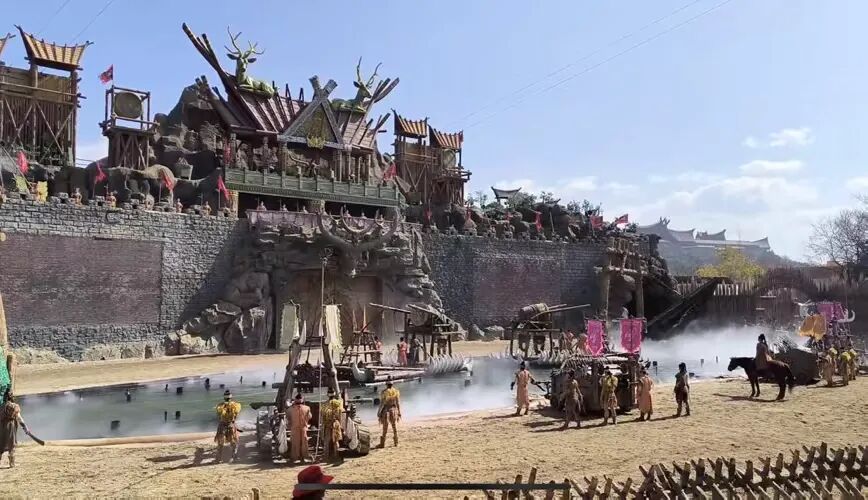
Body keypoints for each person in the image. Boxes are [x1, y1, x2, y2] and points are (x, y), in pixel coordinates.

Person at [0, 392, 29, 468]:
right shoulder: (14, 406)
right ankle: (12, 464)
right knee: (11, 445)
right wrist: (25, 427)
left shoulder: (1, 406)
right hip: (10, 427)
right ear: (11, 397)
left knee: (0, 445)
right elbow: (19, 418)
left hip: (1, 427)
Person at [214, 389, 241, 462]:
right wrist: (233, 420)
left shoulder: (220, 406)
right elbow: (236, 415)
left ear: (224, 398)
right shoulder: (236, 405)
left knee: (221, 443)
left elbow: (219, 415)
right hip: (230, 424)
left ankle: (219, 458)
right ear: (231, 397)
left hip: (224, 425)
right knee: (233, 442)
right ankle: (233, 457)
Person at [288, 393, 312, 463]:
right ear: (302, 400)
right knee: (304, 442)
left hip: (294, 428)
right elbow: (309, 417)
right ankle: (304, 457)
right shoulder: (307, 408)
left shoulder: (290, 409)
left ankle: (295, 457)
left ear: (295, 400)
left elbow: (288, 418)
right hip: (303, 428)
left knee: (295, 442)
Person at [321, 389, 343, 462]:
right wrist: (340, 423)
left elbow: (323, 416)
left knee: (327, 441)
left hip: (327, 424)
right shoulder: (338, 403)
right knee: (335, 440)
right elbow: (340, 414)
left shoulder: (324, 404)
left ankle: (326, 457)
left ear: (328, 395)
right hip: (336, 423)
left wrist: (323, 424)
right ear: (334, 394)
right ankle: (336, 455)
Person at [378, 378, 401, 448]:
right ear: (392, 384)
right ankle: (396, 442)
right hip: (393, 409)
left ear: (386, 384)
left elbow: (382, 403)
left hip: (386, 410)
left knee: (385, 426)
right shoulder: (396, 391)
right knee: (394, 426)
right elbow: (398, 403)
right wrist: (399, 412)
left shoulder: (384, 392)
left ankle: (382, 444)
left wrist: (379, 412)